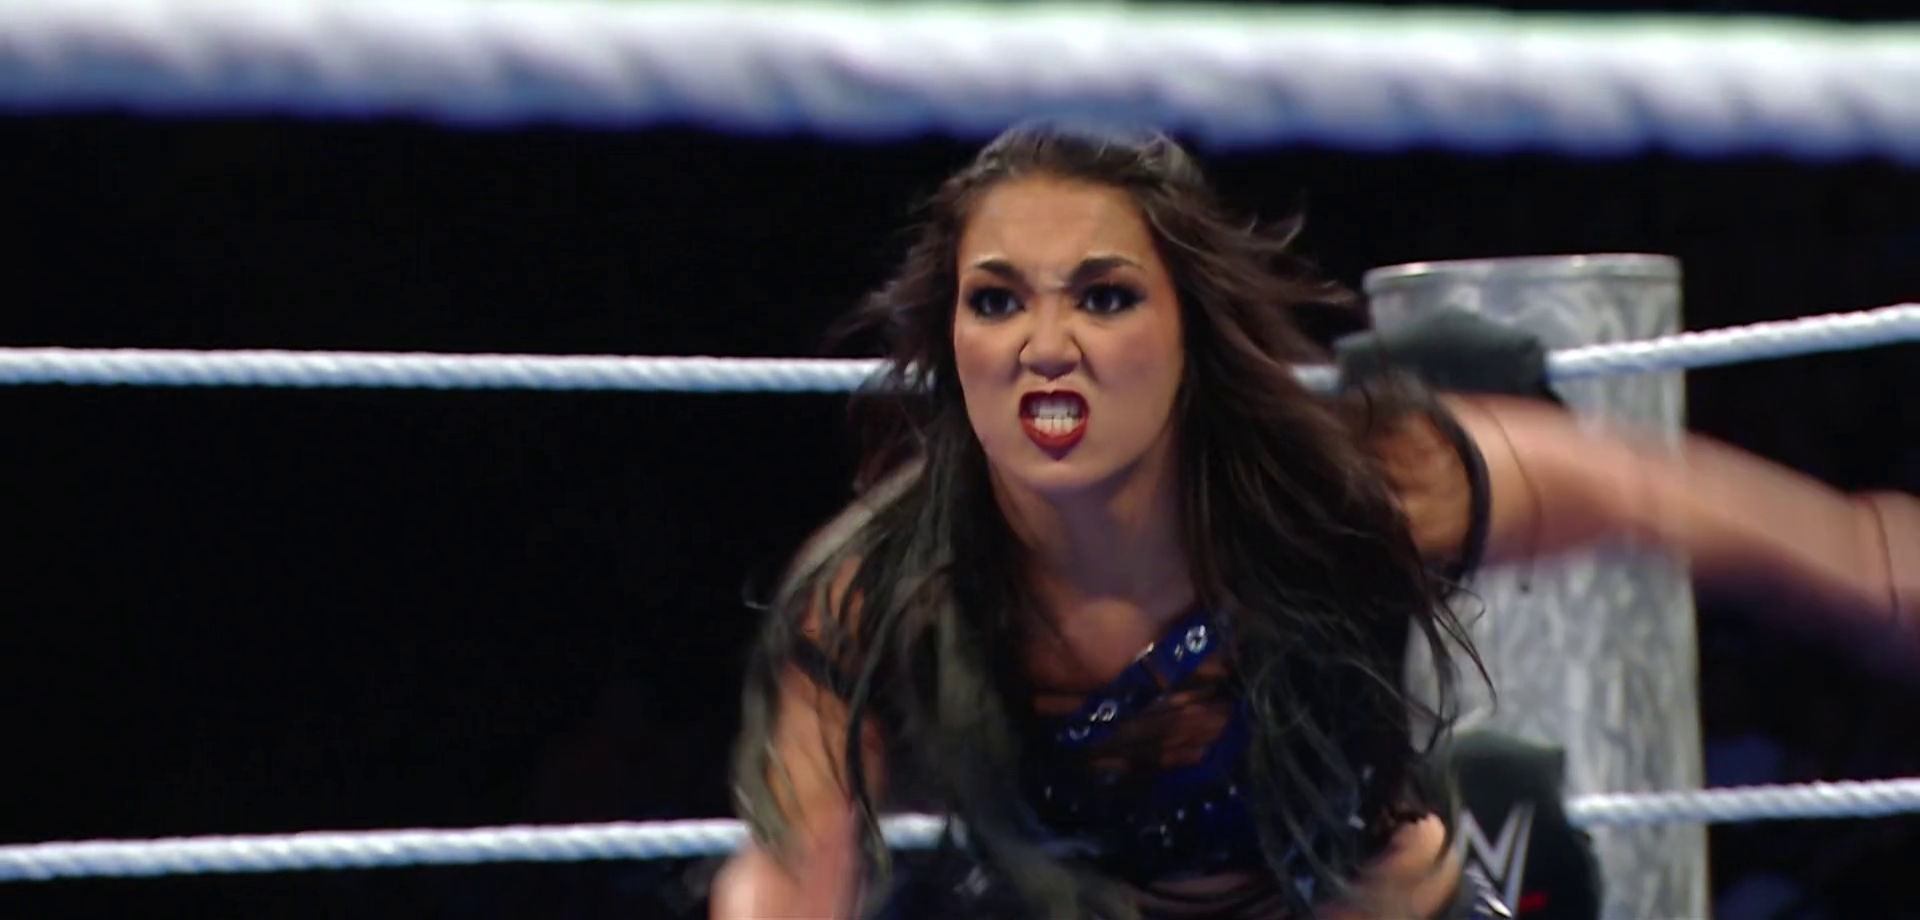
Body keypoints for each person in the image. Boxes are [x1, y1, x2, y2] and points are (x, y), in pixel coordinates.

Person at [709, 123, 1917, 920]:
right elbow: (793, 860)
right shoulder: (877, 590)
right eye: (996, 301)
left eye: (1106, 296)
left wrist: (1861, 555)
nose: (1046, 345)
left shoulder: (1334, 488)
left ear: (1189, 336)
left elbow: (1628, 487)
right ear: (949, 341)